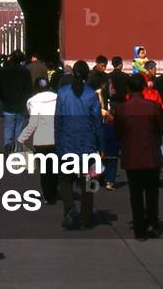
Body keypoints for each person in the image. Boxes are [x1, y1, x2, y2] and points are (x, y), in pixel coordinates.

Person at [115, 74, 163, 239]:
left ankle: (139, 229)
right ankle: (152, 223)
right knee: (152, 192)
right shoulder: (152, 106)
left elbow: (118, 131)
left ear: (129, 88)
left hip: (131, 156)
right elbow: (162, 127)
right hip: (151, 154)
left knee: (135, 193)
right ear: (144, 87)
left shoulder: (122, 108)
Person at [54, 59, 104, 230]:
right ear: (87, 74)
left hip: (67, 141)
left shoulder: (62, 93)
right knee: (87, 181)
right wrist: (101, 145)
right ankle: (86, 217)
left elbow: (58, 121)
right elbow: (97, 122)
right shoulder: (91, 94)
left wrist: (58, 142)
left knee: (66, 179)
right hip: (87, 143)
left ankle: (69, 210)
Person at [18, 73, 60, 204]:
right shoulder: (58, 98)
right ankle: (54, 191)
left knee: (44, 170)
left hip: (41, 140)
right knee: (54, 168)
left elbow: (33, 123)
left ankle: (48, 195)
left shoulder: (33, 101)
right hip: (57, 138)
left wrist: (22, 138)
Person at [0, 49, 32, 153]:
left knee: (8, 126)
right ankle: (18, 147)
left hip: (8, 102)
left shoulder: (4, 71)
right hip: (21, 103)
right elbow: (28, 88)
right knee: (19, 127)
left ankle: (7, 144)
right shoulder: (25, 71)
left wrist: (2, 98)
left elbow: (0, 86)